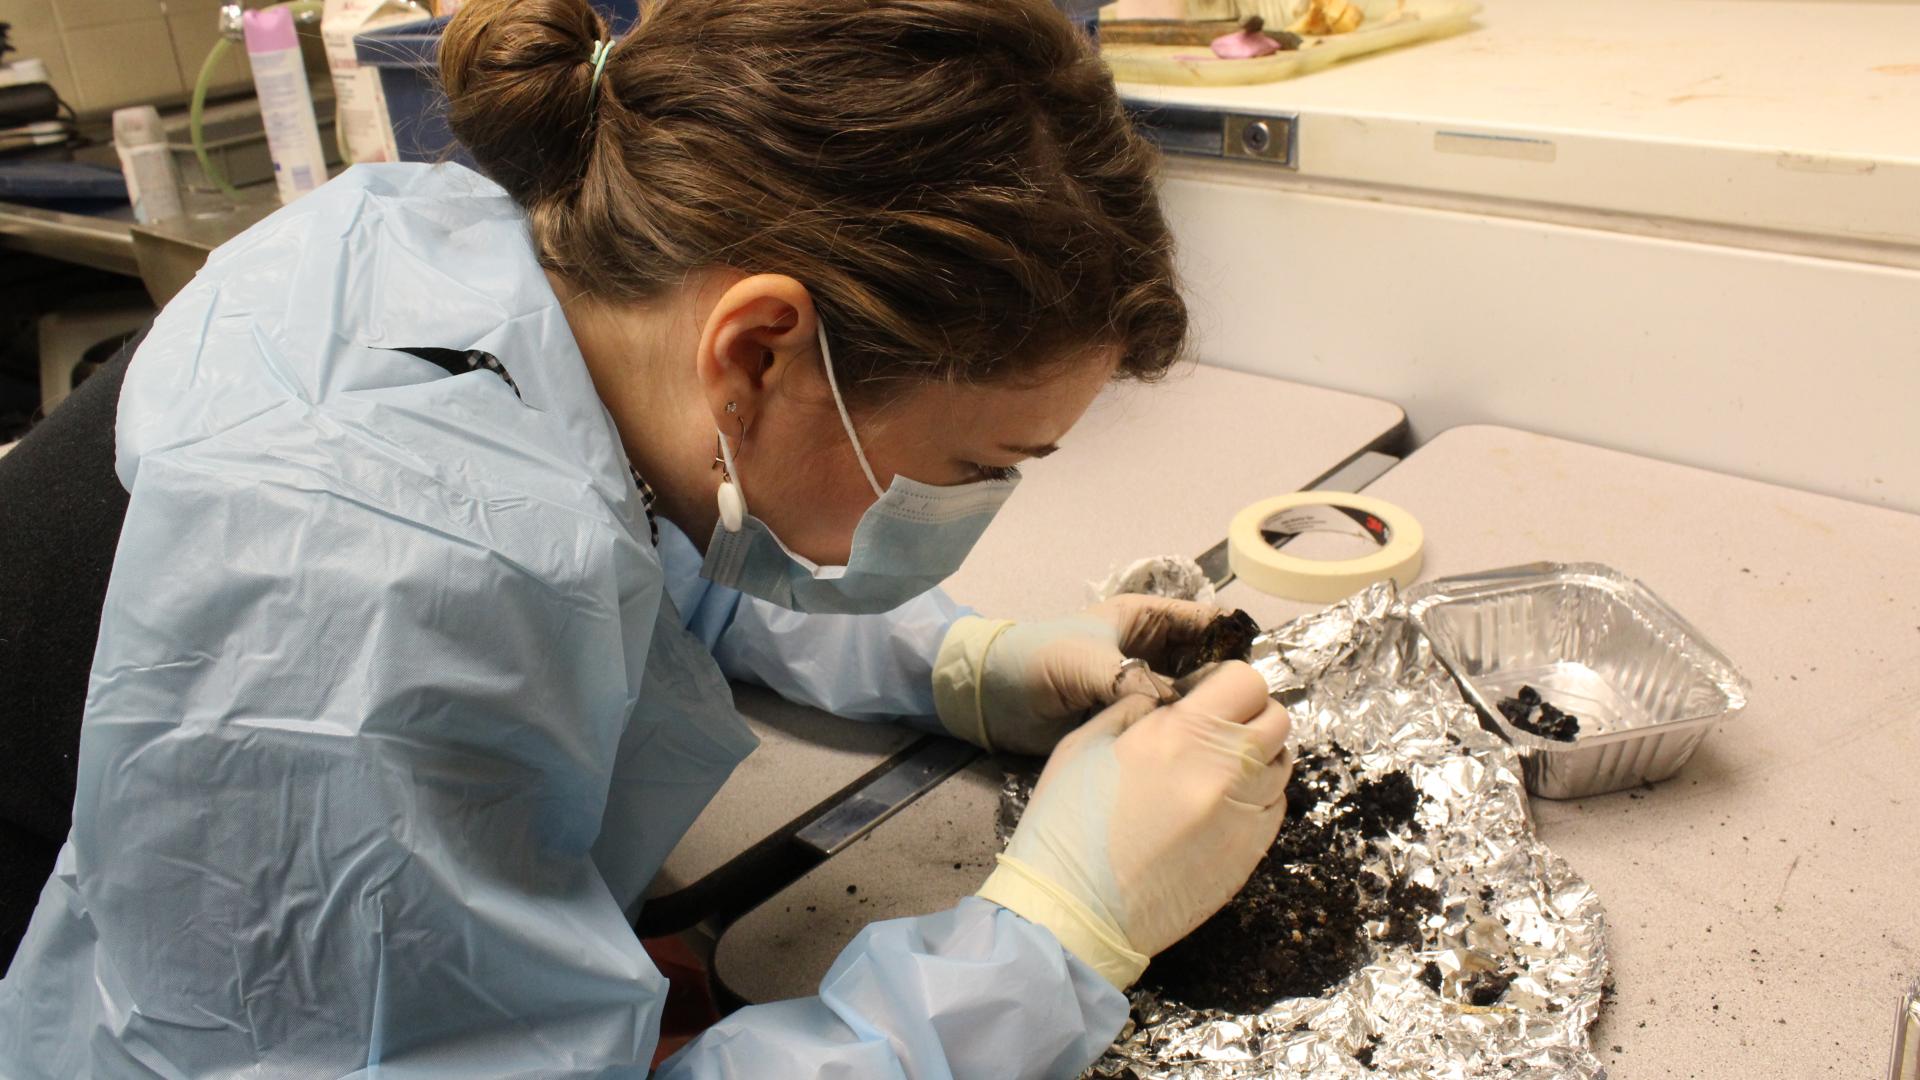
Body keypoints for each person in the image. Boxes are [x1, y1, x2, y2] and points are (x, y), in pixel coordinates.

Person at [0, 0, 1296, 1075]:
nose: (977, 513)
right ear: (760, 346)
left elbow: (666, 539)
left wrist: (961, 659)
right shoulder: (379, 610)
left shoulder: (538, 284)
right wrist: (1045, 940)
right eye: (974, 469)